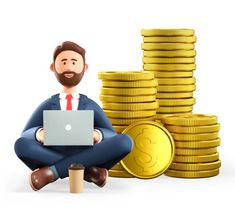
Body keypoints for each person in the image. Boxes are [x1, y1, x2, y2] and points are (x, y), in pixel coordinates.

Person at [14, 41, 133, 191]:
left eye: (74, 62)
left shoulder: (89, 104)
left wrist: (98, 135)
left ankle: (52, 172)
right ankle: (89, 172)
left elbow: (111, 134)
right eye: (64, 62)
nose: (69, 67)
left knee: (125, 141)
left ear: (85, 67)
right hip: (52, 151)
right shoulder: (49, 104)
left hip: (88, 151)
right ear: (53, 67)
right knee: (20, 144)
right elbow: (25, 134)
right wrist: (39, 134)